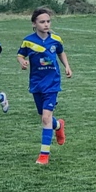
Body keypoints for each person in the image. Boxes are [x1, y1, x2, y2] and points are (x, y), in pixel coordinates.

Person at [16, 8, 72, 165]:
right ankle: (58, 125)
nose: (46, 24)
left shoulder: (55, 39)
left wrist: (67, 66)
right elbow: (20, 54)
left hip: (52, 83)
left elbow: (61, 52)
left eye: (48, 21)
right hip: (36, 83)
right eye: (42, 22)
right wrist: (22, 62)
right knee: (44, 117)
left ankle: (44, 155)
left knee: (46, 118)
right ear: (34, 24)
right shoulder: (28, 41)